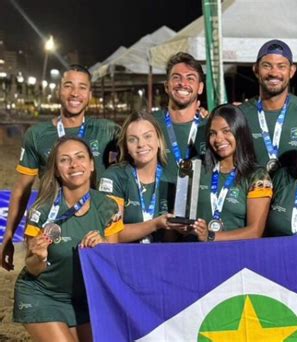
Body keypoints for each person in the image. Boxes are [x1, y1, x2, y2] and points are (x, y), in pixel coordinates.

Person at [1, 64, 120, 271]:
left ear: (90, 93)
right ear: (59, 90)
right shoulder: (37, 135)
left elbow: (144, 142)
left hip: (95, 229)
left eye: (82, 87)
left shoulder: (107, 130)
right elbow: (22, 188)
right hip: (52, 231)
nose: (75, 93)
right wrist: (8, 236)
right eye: (68, 85)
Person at [13, 136, 123, 341]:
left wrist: (103, 246)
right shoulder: (42, 210)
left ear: (91, 164)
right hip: (43, 295)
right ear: (55, 169)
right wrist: (38, 257)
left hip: (86, 299)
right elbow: (33, 269)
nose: (74, 164)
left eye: (80, 157)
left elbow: (112, 262)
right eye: (64, 160)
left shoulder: (108, 207)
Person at [239, 39, 297, 174]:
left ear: (291, 71)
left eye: (281, 66)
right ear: (256, 70)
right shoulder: (241, 114)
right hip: (250, 194)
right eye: (267, 66)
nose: (274, 73)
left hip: (294, 194)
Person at [190, 104, 273, 242]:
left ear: (239, 131)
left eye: (226, 131)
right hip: (195, 255)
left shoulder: (258, 176)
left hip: (236, 257)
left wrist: (210, 236)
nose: (218, 139)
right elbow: (181, 219)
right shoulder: (195, 166)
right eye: (212, 133)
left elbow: (255, 232)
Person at [98, 111, 175, 243]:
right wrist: (155, 224)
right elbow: (112, 235)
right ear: (126, 146)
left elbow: (173, 240)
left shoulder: (172, 178)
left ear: (159, 140)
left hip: (164, 258)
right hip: (126, 259)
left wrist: (175, 228)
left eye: (147, 136)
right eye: (133, 139)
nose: (141, 144)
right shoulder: (114, 177)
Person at [152, 52, 208, 184]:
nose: (183, 83)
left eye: (190, 78)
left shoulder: (211, 127)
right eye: (176, 77)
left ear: (200, 88)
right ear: (167, 86)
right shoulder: (149, 124)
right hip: (156, 203)